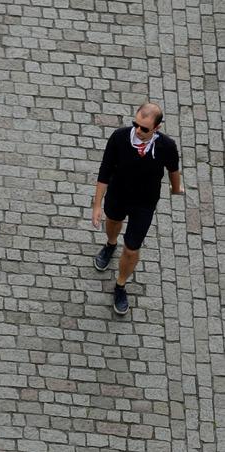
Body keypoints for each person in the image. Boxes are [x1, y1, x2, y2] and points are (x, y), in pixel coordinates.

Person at [91, 102, 182, 314]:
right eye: (135, 124)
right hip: (118, 194)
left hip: (144, 203)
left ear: (156, 128)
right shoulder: (119, 137)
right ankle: (110, 244)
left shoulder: (167, 146)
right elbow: (105, 171)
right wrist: (97, 205)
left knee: (132, 249)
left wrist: (176, 189)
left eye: (144, 128)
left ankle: (120, 285)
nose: (138, 130)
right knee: (113, 222)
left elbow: (173, 170)